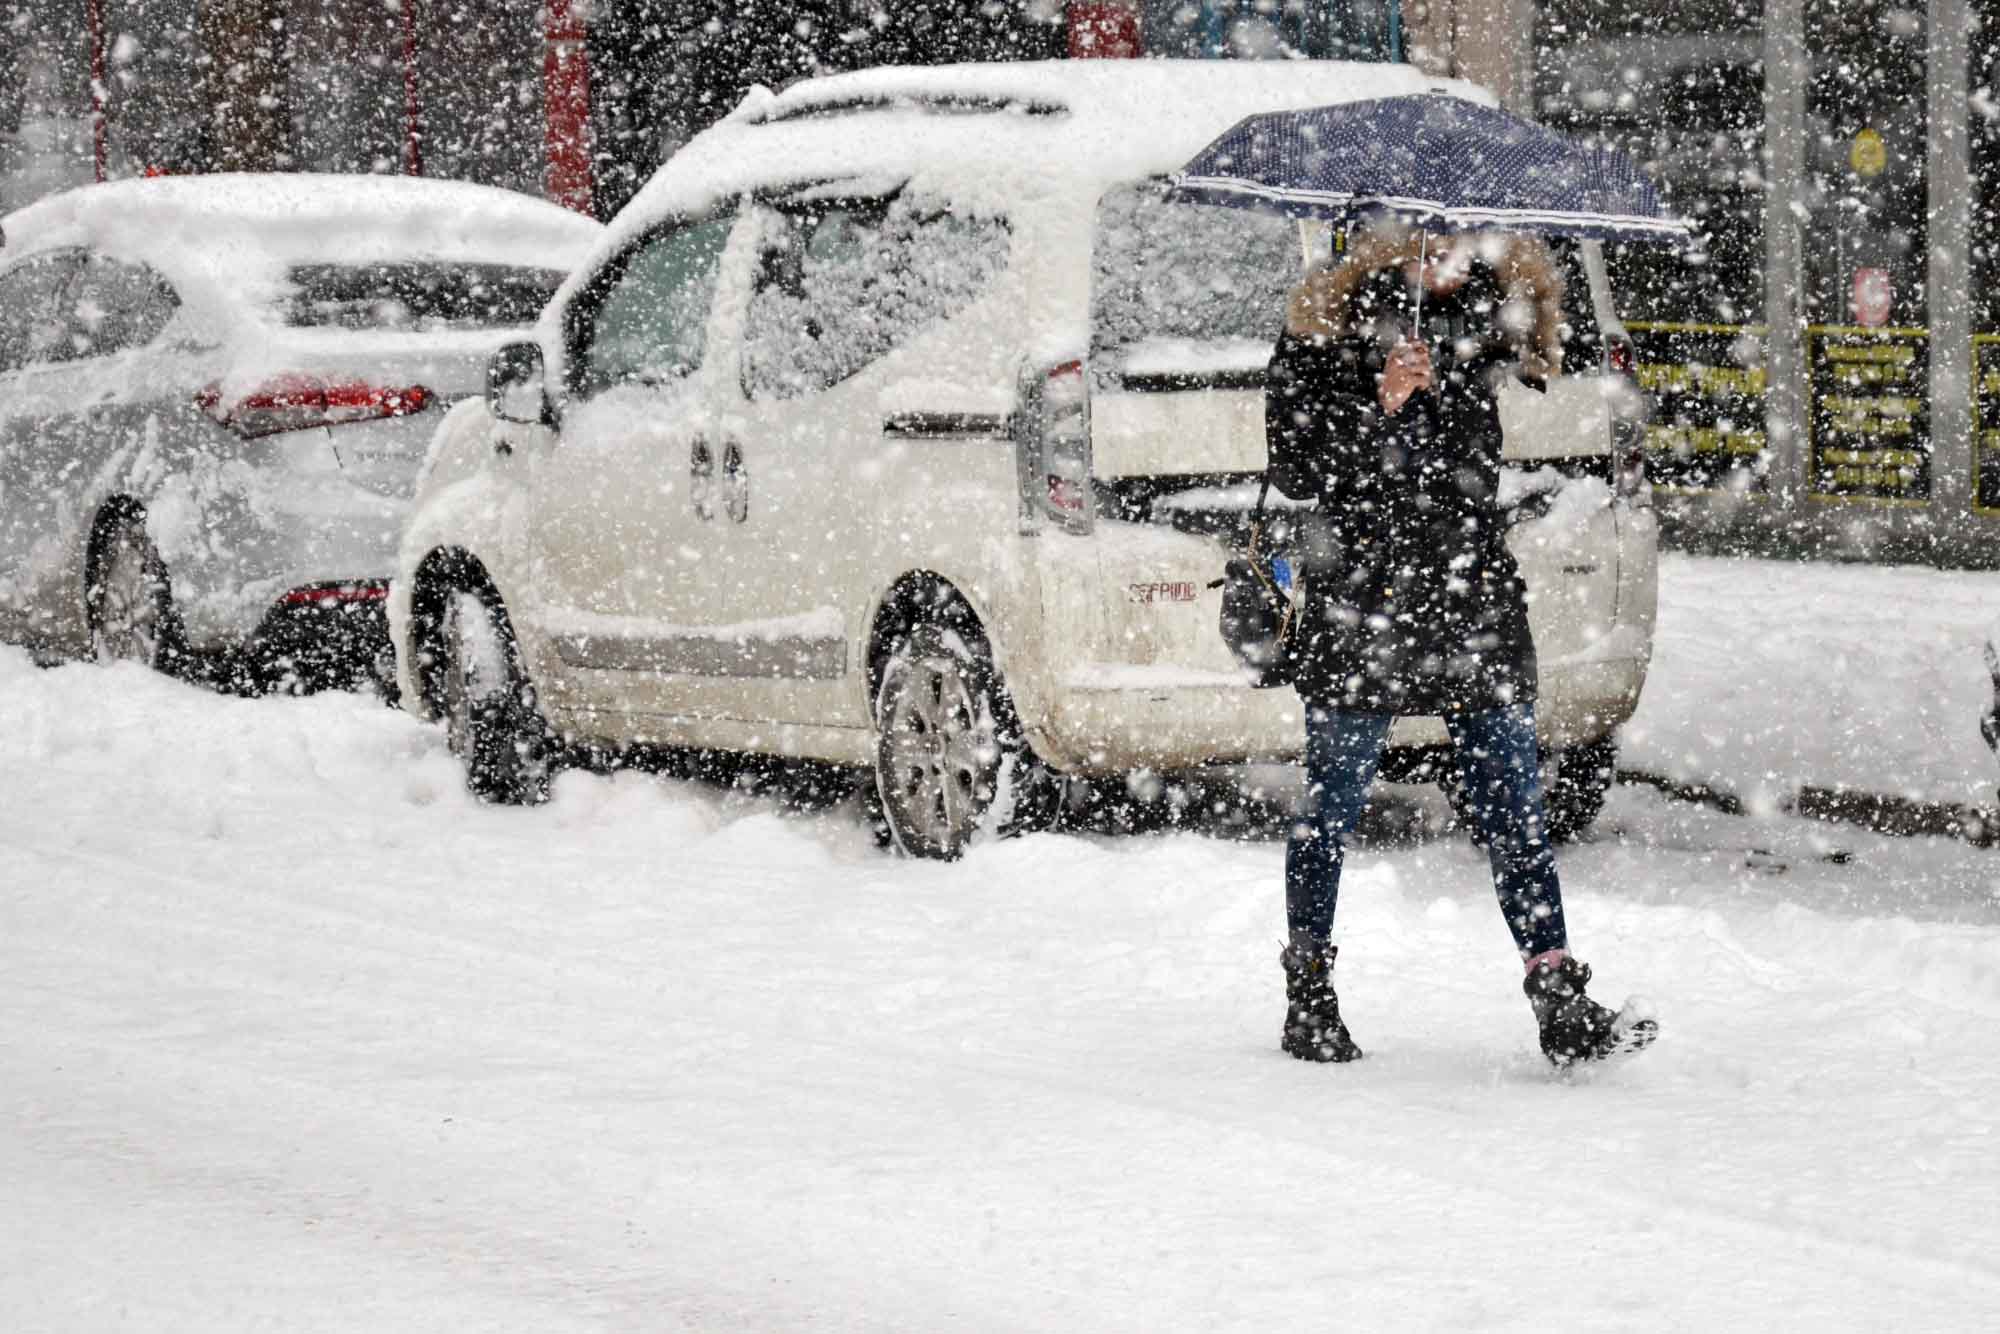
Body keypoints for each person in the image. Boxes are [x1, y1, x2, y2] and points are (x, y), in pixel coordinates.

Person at [1263, 223, 1657, 1067]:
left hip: (1469, 596)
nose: (1445, 251)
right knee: (1331, 808)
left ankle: (1558, 997)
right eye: (1427, 236)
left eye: (1459, 236)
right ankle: (1309, 993)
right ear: (1383, 239)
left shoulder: (1488, 322)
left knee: (1517, 809)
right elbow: (1296, 469)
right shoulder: (1322, 327)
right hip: (1361, 600)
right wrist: (1380, 405)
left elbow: (1474, 471)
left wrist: (1504, 352)